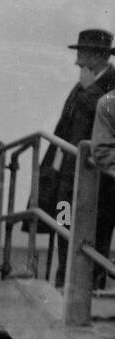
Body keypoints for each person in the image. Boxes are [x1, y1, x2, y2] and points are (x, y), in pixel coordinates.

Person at [44, 29, 115, 286]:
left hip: (100, 187)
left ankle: (90, 291)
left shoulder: (108, 84)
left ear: (98, 56)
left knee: (96, 236)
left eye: (82, 53)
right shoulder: (82, 84)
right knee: (64, 228)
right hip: (67, 182)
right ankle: (64, 282)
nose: (77, 61)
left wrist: (90, 90)